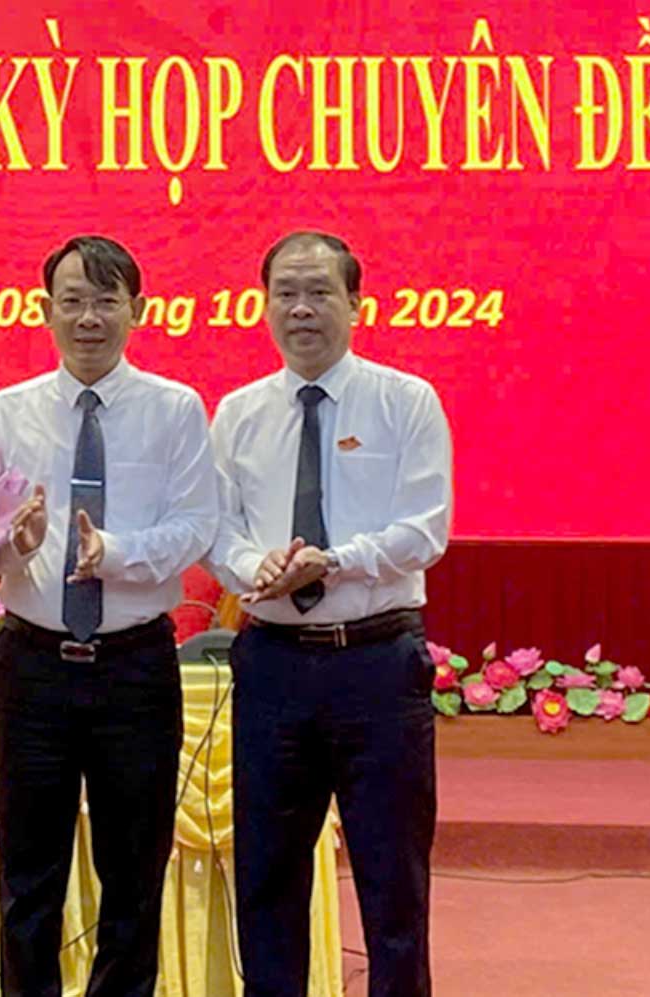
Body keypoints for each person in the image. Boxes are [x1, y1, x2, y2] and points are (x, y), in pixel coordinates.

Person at [207, 231, 452, 997]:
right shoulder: (240, 413)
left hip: (377, 666)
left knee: (393, 883)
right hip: (275, 665)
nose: (302, 308)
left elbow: (426, 528)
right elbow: (221, 529)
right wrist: (260, 570)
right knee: (269, 877)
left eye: (319, 292)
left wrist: (332, 562)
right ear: (265, 305)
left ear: (356, 303)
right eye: (286, 292)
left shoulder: (404, 401)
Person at [0, 235, 219, 996]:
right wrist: (6, 543)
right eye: (73, 301)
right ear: (44, 311)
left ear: (136, 312)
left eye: (106, 300)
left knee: (135, 868)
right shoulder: (7, 411)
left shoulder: (175, 410)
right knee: (27, 869)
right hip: (33, 665)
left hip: (134, 667)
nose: (88, 318)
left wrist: (110, 552)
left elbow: (196, 525)